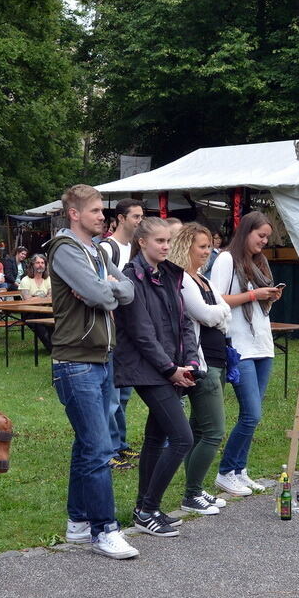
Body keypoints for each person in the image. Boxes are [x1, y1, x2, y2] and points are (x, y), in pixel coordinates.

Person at [45, 184, 138, 559]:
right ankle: (105, 529)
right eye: (97, 210)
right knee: (100, 448)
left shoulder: (97, 251)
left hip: (100, 357)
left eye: (103, 210)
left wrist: (106, 287)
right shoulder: (65, 250)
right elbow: (103, 297)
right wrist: (106, 289)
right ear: (74, 213)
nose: (103, 216)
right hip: (75, 361)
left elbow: (127, 291)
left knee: (88, 444)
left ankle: (79, 521)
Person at [115, 217, 199, 536]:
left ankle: (143, 508)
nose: (165, 246)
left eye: (168, 241)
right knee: (182, 437)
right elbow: (141, 333)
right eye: (159, 241)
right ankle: (148, 508)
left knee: (155, 437)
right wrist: (170, 370)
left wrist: (188, 361)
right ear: (142, 243)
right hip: (149, 370)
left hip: (171, 367)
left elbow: (184, 323)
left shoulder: (167, 274)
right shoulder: (131, 277)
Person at [210, 211, 283, 495]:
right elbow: (217, 300)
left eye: (267, 237)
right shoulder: (227, 259)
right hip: (239, 346)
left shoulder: (259, 261)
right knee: (251, 413)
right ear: (246, 232)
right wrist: (256, 295)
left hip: (262, 342)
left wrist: (270, 296)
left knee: (254, 414)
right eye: (260, 235)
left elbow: (257, 303)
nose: (264, 241)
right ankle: (226, 471)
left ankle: (240, 469)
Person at [169, 223, 231, 515]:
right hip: (201, 364)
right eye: (202, 247)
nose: (207, 252)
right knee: (214, 431)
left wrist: (218, 315)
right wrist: (218, 315)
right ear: (186, 247)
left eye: (209, 246)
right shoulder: (182, 279)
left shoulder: (202, 278)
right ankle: (191, 494)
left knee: (199, 430)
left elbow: (223, 310)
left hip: (218, 360)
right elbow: (206, 314)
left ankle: (195, 490)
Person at [98, 199, 145, 470]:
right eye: (135, 216)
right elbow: (105, 289)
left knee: (124, 394)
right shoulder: (108, 248)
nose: (140, 220)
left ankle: (120, 443)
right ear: (121, 218)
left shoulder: (135, 248)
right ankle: (109, 448)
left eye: (141, 216)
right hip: (114, 331)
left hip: (131, 332)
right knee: (112, 396)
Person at [18, 254, 53, 353]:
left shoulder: (48, 279)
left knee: (54, 323)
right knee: (40, 328)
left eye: (42, 263)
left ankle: (57, 347)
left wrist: (35, 298)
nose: (40, 265)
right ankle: (52, 349)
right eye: (37, 263)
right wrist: (43, 298)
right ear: (32, 265)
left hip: (45, 309)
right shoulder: (25, 280)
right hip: (29, 311)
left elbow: (51, 297)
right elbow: (27, 299)